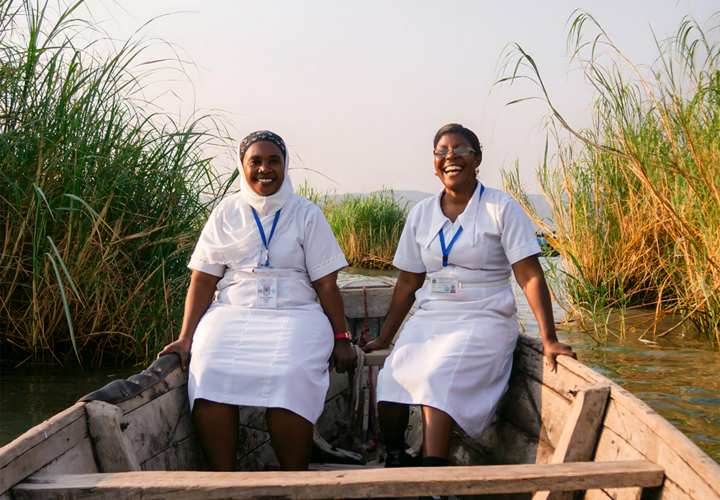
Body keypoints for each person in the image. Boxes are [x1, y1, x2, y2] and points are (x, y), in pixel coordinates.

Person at [362, 123, 575, 468]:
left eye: (460, 149)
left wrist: (549, 338)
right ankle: (396, 459)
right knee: (391, 377)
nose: (451, 157)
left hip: (484, 315)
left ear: (477, 159)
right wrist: (386, 337)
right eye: (442, 151)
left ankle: (433, 478)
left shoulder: (501, 208)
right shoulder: (421, 214)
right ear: (434, 162)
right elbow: (407, 282)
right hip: (432, 315)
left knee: (437, 378)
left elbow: (529, 275)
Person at [159, 130, 356, 472]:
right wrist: (186, 337)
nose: (265, 169)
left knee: (290, 375)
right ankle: (226, 483)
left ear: (285, 166)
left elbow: (326, 284)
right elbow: (204, 279)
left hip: (296, 313)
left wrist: (341, 339)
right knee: (209, 371)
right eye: (256, 161)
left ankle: (294, 481)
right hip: (232, 311)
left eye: (273, 161)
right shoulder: (226, 211)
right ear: (243, 166)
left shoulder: (306, 213)